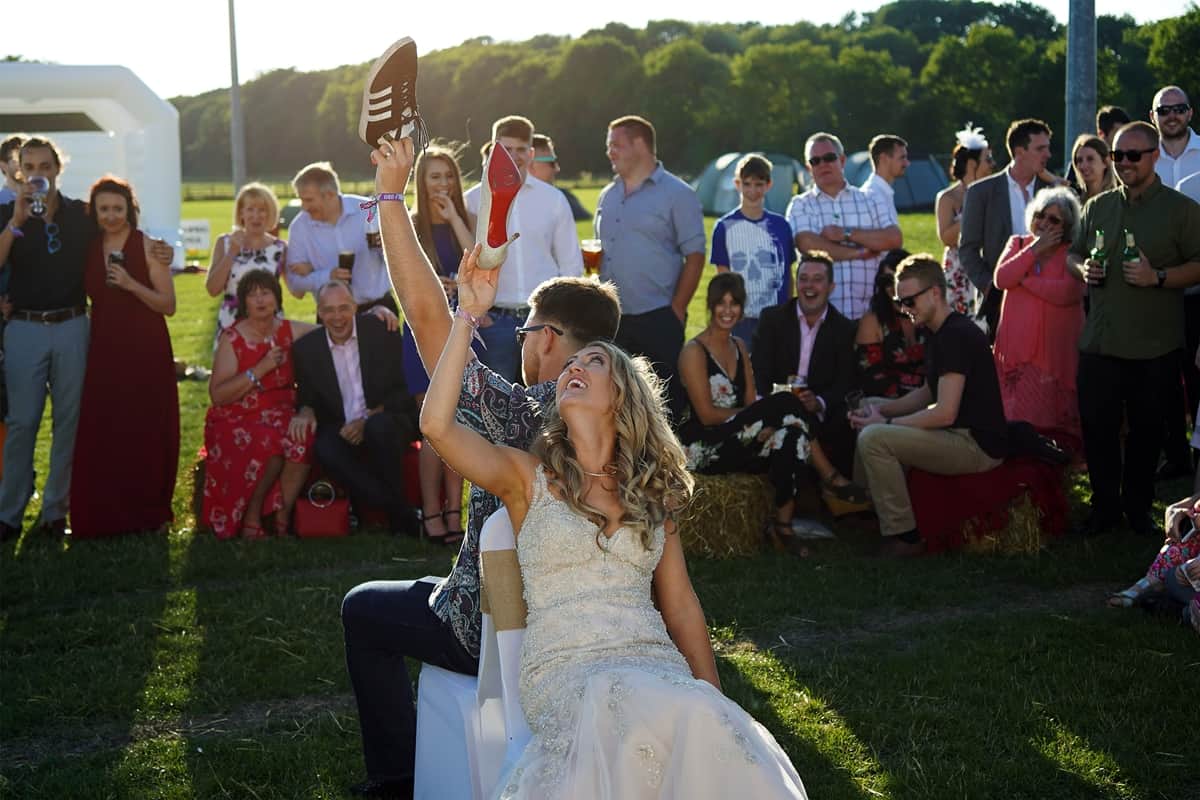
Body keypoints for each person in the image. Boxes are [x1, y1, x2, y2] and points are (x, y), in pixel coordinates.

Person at [420, 244, 809, 798]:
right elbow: (436, 426)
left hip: (653, 659)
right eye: (572, 365)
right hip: (567, 670)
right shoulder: (525, 478)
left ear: (622, 393)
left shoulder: (653, 494)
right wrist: (466, 315)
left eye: (593, 362)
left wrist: (717, 706)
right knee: (627, 708)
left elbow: (680, 607)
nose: (574, 367)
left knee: (699, 723)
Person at [339, 133, 623, 799]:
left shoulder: (530, 415)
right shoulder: (634, 416)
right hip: (599, 624)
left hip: (502, 626)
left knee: (362, 610)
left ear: (550, 338)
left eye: (526, 332)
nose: (522, 343)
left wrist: (389, 195)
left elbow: (428, 322)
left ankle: (393, 779)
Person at [0, 136, 171, 541]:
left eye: (46, 166)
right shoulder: (9, 212)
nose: (38, 174)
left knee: (68, 422)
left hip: (73, 325)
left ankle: (55, 513)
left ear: (58, 169)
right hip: (24, 327)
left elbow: (122, 225)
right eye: (31, 167)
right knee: (23, 423)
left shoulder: (80, 214)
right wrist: (17, 223)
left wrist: (159, 249)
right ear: (20, 171)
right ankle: (9, 514)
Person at [1069, 121, 1200, 537]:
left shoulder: (1181, 211)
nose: (1123, 163)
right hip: (1101, 342)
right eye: (1117, 156)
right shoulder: (1098, 206)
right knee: (1097, 429)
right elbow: (1073, 254)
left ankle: (1138, 510)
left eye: (1133, 155)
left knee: (1147, 434)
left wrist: (1157, 276)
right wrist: (1083, 268)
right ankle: (1105, 509)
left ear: (1154, 155)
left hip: (1154, 345)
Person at [850, 254, 1008, 558]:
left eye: (909, 301)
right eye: (899, 302)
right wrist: (880, 412)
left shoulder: (954, 336)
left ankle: (906, 537)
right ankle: (869, 507)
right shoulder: (941, 330)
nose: (904, 309)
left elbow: (944, 412)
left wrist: (885, 425)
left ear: (935, 292)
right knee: (870, 406)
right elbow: (927, 393)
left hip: (974, 445)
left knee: (874, 437)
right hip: (957, 432)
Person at [68, 176, 179, 538]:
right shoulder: (87, 246)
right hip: (103, 347)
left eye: (118, 208)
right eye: (104, 209)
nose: (112, 215)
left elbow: (169, 305)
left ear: (129, 209)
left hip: (145, 346)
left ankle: (147, 511)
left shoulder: (148, 246)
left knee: (145, 426)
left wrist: (132, 284)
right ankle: (103, 512)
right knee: (106, 427)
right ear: (95, 212)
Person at [677, 273, 812, 554]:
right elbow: (706, 415)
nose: (728, 310)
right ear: (711, 306)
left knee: (792, 435)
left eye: (735, 303)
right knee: (783, 402)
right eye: (721, 303)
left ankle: (783, 527)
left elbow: (751, 402)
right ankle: (831, 476)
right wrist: (756, 418)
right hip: (704, 447)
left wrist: (761, 424)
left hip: (740, 439)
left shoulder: (739, 346)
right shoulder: (694, 350)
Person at [291, 281, 420, 537]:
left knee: (378, 427)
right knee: (324, 447)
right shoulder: (307, 349)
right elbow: (307, 397)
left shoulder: (381, 331)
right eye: (328, 310)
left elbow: (404, 390)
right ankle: (399, 510)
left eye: (343, 308)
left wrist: (374, 413)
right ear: (318, 311)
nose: (337, 317)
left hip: (384, 418)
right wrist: (305, 409)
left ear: (355, 307)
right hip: (341, 426)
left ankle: (392, 515)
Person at [595, 114, 706, 408]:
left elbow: (695, 255)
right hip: (612, 320)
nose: (610, 152)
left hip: (659, 317)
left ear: (641, 144)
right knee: (615, 403)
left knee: (663, 405)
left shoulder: (678, 194)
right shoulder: (607, 196)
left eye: (616, 144)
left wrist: (677, 310)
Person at [463, 116, 583, 383]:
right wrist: (478, 314)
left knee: (548, 401)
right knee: (497, 406)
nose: (514, 156)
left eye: (520, 149)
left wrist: (563, 318)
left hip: (546, 323)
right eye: (506, 148)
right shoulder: (472, 200)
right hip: (492, 322)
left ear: (530, 153)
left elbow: (570, 264)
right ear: (494, 149)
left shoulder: (553, 199)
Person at [200, 271, 315, 540]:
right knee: (269, 439)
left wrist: (378, 313)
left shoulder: (290, 330)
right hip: (236, 414)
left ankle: (281, 516)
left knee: (302, 437)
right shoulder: (233, 338)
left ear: (277, 298)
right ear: (244, 302)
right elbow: (218, 395)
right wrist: (259, 369)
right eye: (253, 294)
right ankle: (252, 515)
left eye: (266, 293)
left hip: (282, 411)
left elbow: (335, 328)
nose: (260, 300)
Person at [752, 251, 866, 511]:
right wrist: (777, 397)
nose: (809, 286)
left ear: (830, 287)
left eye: (817, 279)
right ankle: (832, 482)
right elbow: (757, 370)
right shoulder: (772, 319)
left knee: (842, 418)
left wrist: (820, 402)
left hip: (818, 413)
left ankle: (814, 495)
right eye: (803, 279)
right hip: (775, 403)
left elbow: (846, 381)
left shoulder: (845, 329)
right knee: (788, 409)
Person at [406, 143, 474, 543]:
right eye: (435, 176)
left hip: (461, 332)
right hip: (421, 335)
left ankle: (455, 512)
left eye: (449, 176)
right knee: (433, 426)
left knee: (458, 423)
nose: (444, 183)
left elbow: (478, 259)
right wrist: (435, 288)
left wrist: (453, 217)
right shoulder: (411, 226)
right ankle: (430, 513)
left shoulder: (464, 220)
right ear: (421, 181)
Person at [992, 187, 1086, 447]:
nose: (1044, 222)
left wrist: (1025, 280)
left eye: (1054, 220)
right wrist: (1033, 251)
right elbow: (1001, 279)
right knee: (1018, 420)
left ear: (1066, 226)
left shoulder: (1071, 253)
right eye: (1040, 215)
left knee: (1055, 424)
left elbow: (1068, 292)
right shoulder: (1018, 243)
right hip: (1017, 351)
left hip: (1055, 352)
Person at [787, 131, 901, 321]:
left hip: (871, 316)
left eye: (829, 158)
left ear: (842, 160)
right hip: (821, 319)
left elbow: (893, 238)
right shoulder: (800, 204)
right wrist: (859, 253)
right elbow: (806, 243)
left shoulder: (870, 199)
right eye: (815, 161)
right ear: (808, 168)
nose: (823, 165)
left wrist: (846, 233)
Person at [958, 118, 1054, 339]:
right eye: (1040, 148)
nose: (1048, 154)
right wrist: (989, 286)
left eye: (1048, 148)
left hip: (1046, 299)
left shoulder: (1052, 191)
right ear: (1019, 152)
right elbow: (968, 249)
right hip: (1001, 301)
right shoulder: (981, 192)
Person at [285, 161, 396, 313]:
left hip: (380, 308)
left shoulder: (368, 211)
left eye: (309, 200)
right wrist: (326, 276)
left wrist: (386, 249)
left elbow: (399, 261)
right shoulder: (299, 227)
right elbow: (295, 284)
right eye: (301, 199)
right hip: (331, 313)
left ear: (330, 195)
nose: (304, 207)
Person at [710, 153, 796, 349]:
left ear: (768, 185)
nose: (753, 190)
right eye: (747, 184)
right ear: (737, 184)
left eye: (759, 184)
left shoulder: (781, 226)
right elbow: (723, 277)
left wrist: (787, 312)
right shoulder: (724, 227)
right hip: (741, 320)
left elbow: (787, 273)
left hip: (776, 317)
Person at [206, 182, 288, 344]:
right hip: (231, 323)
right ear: (241, 213)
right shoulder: (225, 242)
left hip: (269, 325)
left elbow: (297, 289)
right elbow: (213, 289)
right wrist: (232, 253)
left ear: (270, 213)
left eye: (262, 210)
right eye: (250, 209)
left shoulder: (281, 248)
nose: (256, 216)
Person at [936, 124, 995, 321]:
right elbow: (946, 237)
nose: (992, 164)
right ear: (971, 164)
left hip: (986, 270)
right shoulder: (948, 198)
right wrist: (973, 208)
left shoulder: (993, 194)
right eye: (987, 159)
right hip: (958, 275)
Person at [855, 249, 926, 401]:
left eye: (900, 280)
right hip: (886, 405)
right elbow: (872, 381)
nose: (894, 288)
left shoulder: (929, 317)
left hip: (928, 404)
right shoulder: (873, 322)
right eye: (887, 281)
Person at [531, 133, 590, 221]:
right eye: (552, 163)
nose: (557, 169)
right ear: (529, 165)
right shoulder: (509, 204)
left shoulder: (563, 198)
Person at [1151, 86, 1200, 189]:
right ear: (1152, 117)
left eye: (1180, 110)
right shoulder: (1143, 158)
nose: (1172, 116)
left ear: (1190, 113)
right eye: (1163, 111)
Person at [860, 134, 910, 222]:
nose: (907, 163)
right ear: (883, 158)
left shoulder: (882, 192)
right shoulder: (871, 196)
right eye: (902, 158)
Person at [1070, 134, 1117, 203]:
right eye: (1079, 160)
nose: (1083, 166)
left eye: (1090, 159)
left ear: (1105, 162)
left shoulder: (1117, 200)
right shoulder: (1073, 199)